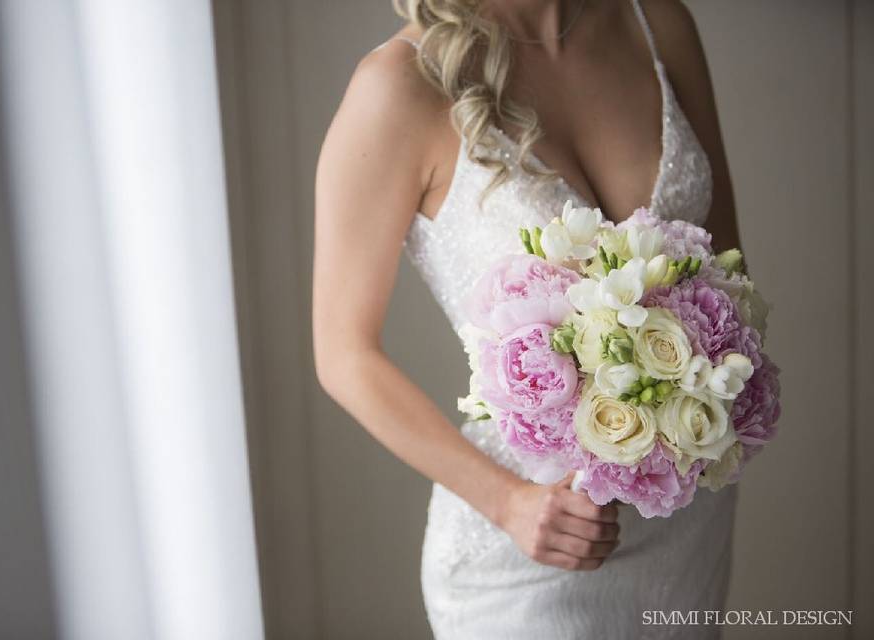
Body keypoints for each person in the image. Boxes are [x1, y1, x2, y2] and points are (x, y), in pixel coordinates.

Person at [313, 1, 740, 637]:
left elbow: (727, 276)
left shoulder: (657, 23)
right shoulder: (397, 87)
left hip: (685, 512)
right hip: (533, 540)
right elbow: (343, 354)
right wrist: (508, 503)